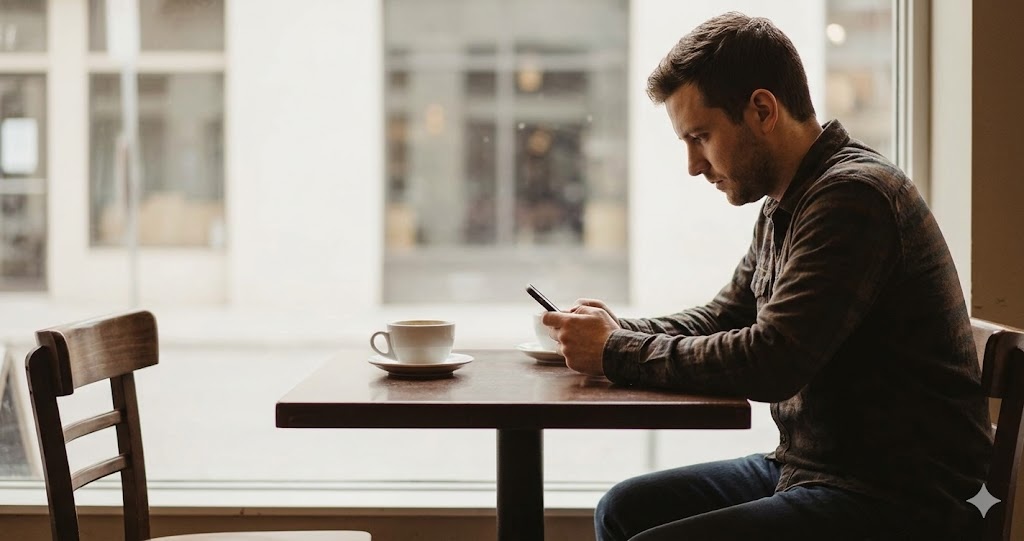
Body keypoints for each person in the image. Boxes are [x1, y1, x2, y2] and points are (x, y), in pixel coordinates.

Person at [542, 12, 992, 541]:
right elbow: (724, 316)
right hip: (811, 470)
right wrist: (616, 330)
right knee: (623, 509)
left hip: (896, 497)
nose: (692, 164)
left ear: (761, 110)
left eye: (701, 136)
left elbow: (772, 359)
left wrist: (615, 351)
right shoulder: (786, 202)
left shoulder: (853, 198)